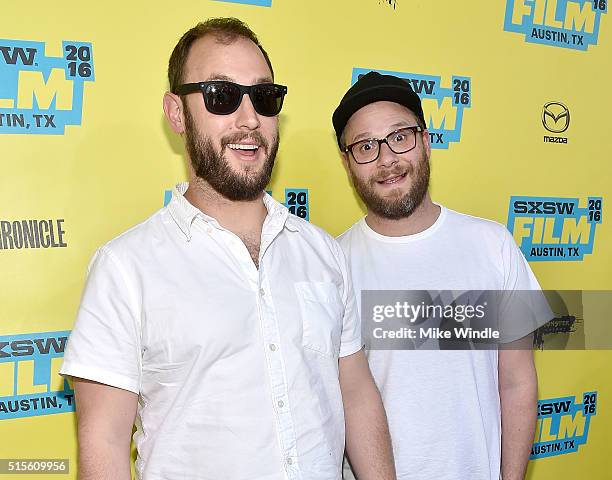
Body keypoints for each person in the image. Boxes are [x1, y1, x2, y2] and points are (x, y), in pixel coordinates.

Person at [60, 19, 395, 480]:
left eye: (263, 97)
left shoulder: (322, 252)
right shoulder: (125, 269)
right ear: (176, 112)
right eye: (221, 95)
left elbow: (356, 396)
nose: (249, 118)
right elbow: (104, 445)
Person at [333, 71, 552, 480]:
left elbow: (517, 382)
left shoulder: (494, 245)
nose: (386, 159)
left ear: (426, 141)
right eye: (365, 147)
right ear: (347, 163)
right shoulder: (332, 264)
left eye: (400, 137)